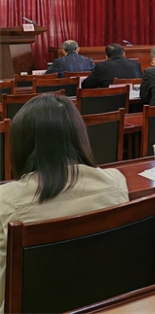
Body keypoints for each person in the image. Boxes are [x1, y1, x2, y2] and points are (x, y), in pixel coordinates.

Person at [0, 94, 129, 309]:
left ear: (19, 145)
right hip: (105, 304)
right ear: (79, 137)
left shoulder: (6, 199)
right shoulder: (116, 182)